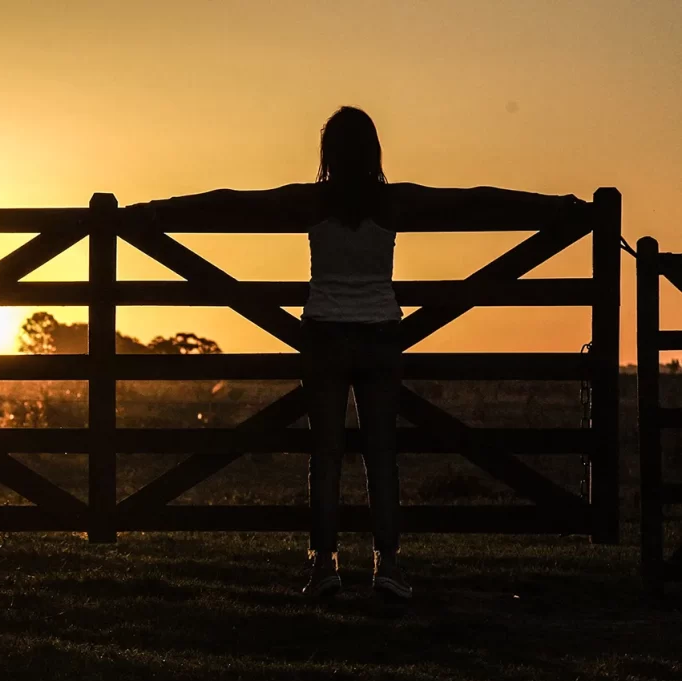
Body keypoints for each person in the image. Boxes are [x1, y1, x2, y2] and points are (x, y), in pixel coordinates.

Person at [127, 106, 580, 601]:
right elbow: (476, 201)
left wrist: (159, 209)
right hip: (381, 335)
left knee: (326, 456)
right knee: (381, 457)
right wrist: (553, 206)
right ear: (374, 151)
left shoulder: (312, 201)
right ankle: (388, 564)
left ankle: (324, 565)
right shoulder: (393, 203)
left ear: (328, 153)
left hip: (323, 335)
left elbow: (229, 203)